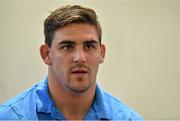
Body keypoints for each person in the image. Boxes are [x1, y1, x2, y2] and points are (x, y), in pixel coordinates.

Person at [0, 5, 143, 120]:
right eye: (67, 47)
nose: (80, 58)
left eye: (89, 46)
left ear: (102, 53)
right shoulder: (10, 117)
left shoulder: (126, 118)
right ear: (46, 54)